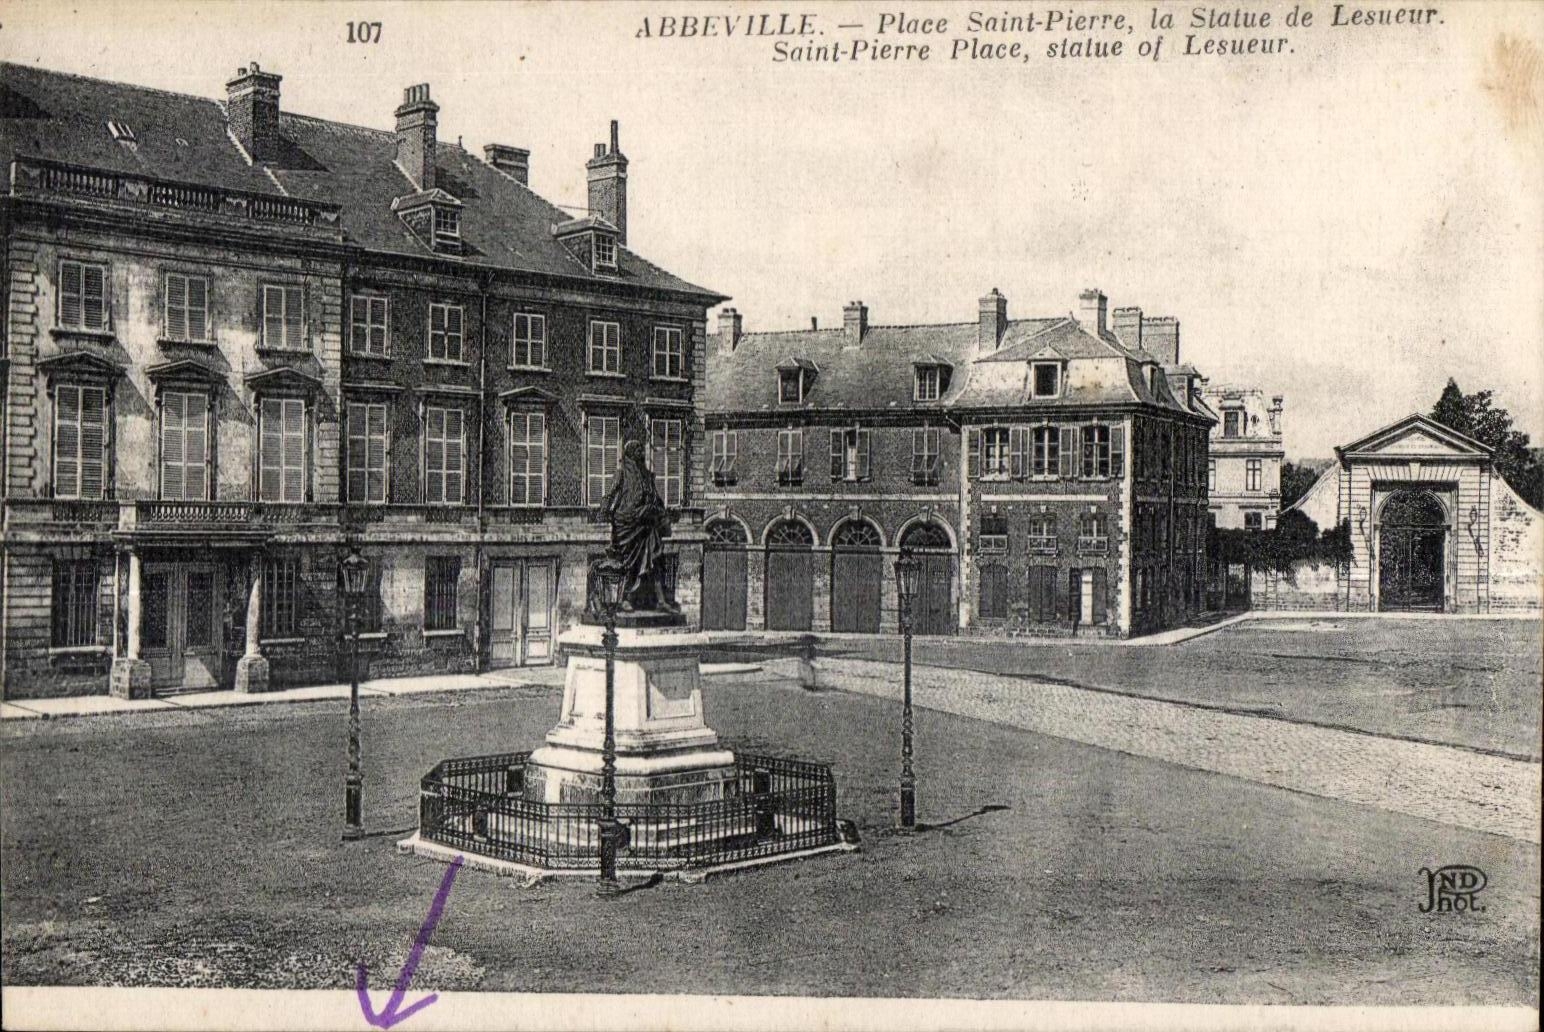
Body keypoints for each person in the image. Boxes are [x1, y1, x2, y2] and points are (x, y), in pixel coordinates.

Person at [598, 439, 674, 611]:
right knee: (628, 563)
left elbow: (655, 496)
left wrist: (662, 512)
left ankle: (661, 600)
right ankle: (624, 598)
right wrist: (603, 511)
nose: (642, 452)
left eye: (642, 449)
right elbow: (610, 493)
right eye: (638, 449)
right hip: (626, 524)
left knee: (656, 557)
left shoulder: (647, 475)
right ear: (631, 453)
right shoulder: (622, 473)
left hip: (646, 524)